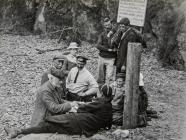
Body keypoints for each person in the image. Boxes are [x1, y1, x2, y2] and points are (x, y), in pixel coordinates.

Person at [9, 84, 113, 138]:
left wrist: (77, 106)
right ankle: (21, 131)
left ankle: (19, 132)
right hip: (84, 124)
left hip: (79, 124)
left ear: (102, 94)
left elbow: (82, 108)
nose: (97, 94)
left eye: (98, 92)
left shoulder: (100, 103)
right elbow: (108, 124)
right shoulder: (108, 105)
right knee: (51, 124)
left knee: (49, 124)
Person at [96, 17, 117, 85]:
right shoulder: (102, 34)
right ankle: (100, 90)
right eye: (105, 25)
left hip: (111, 58)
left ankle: (107, 90)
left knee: (109, 76)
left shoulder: (116, 34)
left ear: (111, 24)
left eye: (108, 24)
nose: (107, 26)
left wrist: (112, 48)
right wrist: (108, 49)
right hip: (102, 57)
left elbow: (115, 46)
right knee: (100, 76)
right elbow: (98, 46)